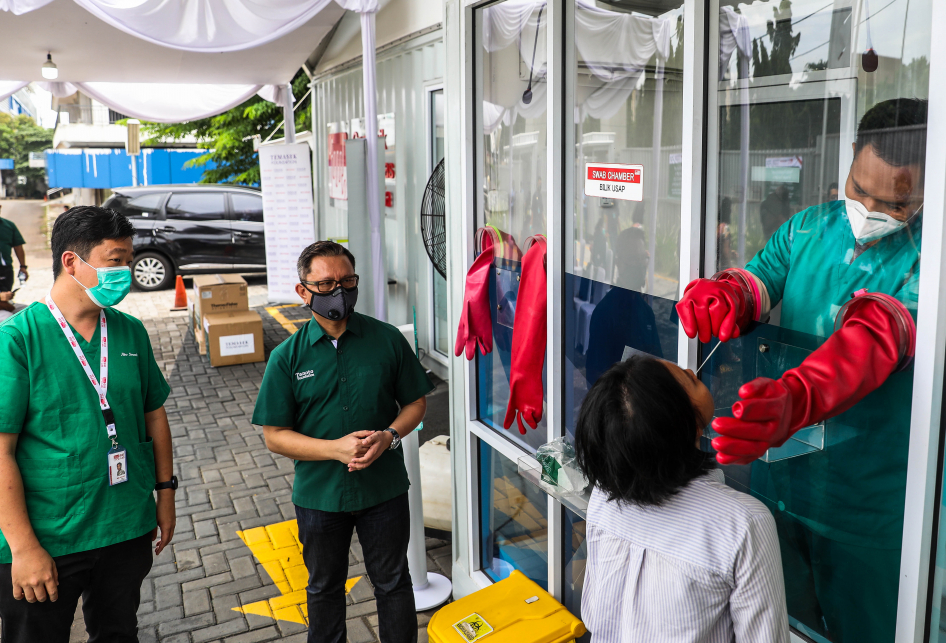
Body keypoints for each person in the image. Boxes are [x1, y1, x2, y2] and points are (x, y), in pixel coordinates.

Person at [676, 98, 927, 641]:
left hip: (869, 502)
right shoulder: (809, 229)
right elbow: (760, 278)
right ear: (852, 158)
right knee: (776, 625)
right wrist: (726, 295)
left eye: (894, 203)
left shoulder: (933, 255)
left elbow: (878, 334)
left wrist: (798, 396)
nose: (868, 208)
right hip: (781, 481)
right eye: (859, 189)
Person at [0, 205, 176, 643]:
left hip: (125, 528)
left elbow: (154, 414)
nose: (127, 271)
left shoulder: (130, 330)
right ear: (72, 262)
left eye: (128, 259)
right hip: (49, 539)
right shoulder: (18, 339)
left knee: (118, 633)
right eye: (115, 260)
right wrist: (23, 549)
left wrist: (165, 494)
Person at [253, 240, 434, 643]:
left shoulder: (387, 340)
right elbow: (275, 437)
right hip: (320, 496)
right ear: (303, 291)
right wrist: (333, 449)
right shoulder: (287, 357)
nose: (339, 291)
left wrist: (389, 436)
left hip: (383, 489)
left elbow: (416, 403)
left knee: (392, 583)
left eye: (347, 281)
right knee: (324, 588)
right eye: (326, 284)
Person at [575, 356, 789, 643]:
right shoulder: (744, 524)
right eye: (691, 380)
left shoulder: (604, 493)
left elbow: (593, 615)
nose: (691, 368)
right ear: (692, 427)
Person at [585, 229, 661, 384]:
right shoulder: (605, 313)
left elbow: (659, 362)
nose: (640, 265)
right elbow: (594, 377)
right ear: (619, 263)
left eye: (642, 258)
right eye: (633, 259)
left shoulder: (646, 312)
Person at [0, 204, 28, 313]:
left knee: (8, 298)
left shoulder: (8, 226)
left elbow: (18, 247)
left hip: (6, 268)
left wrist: (23, 266)